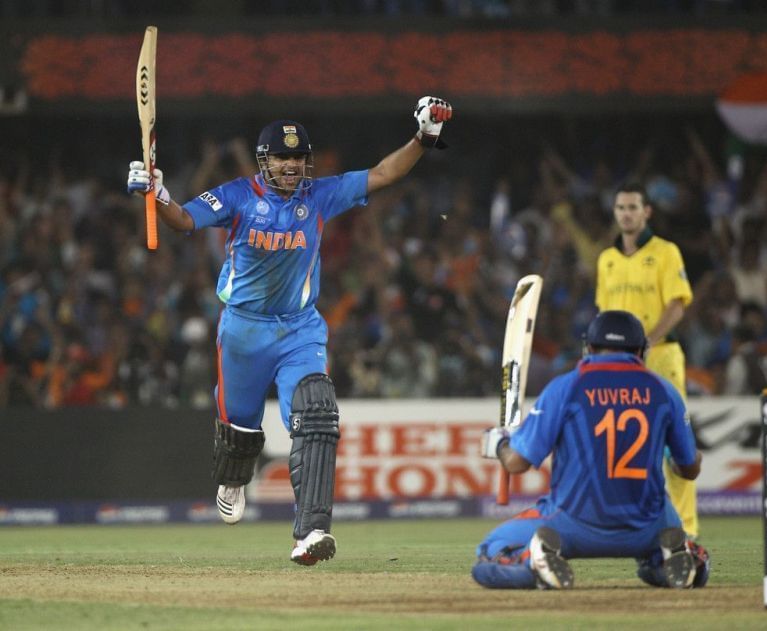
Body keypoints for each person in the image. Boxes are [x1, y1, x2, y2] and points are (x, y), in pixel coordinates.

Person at [127, 96, 453, 565]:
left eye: (298, 158)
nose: (291, 166)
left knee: (317, 413)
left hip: (300, 329)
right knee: (239, 431)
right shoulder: (239, 194)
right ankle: (235, 475)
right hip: (243, 329)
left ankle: (312, 530)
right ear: (265, 161)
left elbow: (383, 174)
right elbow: (183, 219)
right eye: (282, 158)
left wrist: (424, 138)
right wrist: (156, 195)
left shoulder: (318, 195)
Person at [473, 310, 710, 590]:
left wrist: (500, 444)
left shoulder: (566, 387)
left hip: (574, 524)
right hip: (649, 527)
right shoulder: (665, 391)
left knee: (489, 551)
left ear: (589, 347)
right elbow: (689, 469)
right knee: (658, 555)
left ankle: (533, 562)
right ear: (642, 350)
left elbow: (516, 463)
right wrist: (678, 456)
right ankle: (678, 558)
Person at [595, 182, 699, 539]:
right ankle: (630, 523)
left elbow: (678, 303)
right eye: (621, 207)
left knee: (674, 442)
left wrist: (648, 342)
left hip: (661, 357)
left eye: (633, 207)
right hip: (618, 363)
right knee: (622, 442)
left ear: (647, 212)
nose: (626, 213)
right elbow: (603, 313)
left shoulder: (666, 252)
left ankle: (684, 528)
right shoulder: (606, 260)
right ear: (614, 212)